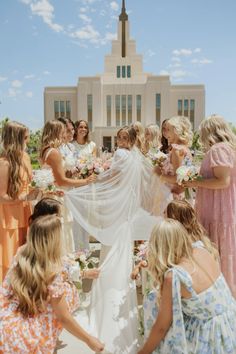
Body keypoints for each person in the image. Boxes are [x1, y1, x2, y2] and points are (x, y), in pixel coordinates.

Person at [65, 125, 169, 353]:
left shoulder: (121, 155)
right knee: (119, 250)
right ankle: (121, 289)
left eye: (124, 137)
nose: (120, 140)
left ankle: (106, 294)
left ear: (130, 139)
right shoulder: (136, 156)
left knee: (110, 248)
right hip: (126, 210)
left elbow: (110, 177)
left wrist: (93, 175)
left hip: (119, 210)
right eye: (119, 137)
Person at [0, 214, 104, 353]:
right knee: (69, 291)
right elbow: (63, 317)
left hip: (5, 326)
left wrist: (83, 273)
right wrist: (90, 340)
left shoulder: (22, 254)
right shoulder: (53, 272)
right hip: (28, 340)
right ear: (53, 241)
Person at [138, 219, 236, 354]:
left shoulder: (175, 276)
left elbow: (162, 326)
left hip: (209, 335)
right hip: (230, 324)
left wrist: (142, 352)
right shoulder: (203, 251)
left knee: (153, 303)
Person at [183, 115, 236, 296]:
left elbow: (222, 181)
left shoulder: (218, 149)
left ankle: (222, 295)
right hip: (220, 210)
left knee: (217, 253)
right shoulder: (224, 149)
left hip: (217, 212)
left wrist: (195, 181)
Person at [40, 120, 96, 254]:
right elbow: (62, 181)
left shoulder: (47, 150)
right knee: (62, 230)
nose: (66, 134)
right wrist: (86, 181)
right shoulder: (53, 152)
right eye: (63, 131)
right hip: (59, 195)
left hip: (56, 193)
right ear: (56, 132)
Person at [0, 121, 39, 282]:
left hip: (26, 212)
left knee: (25, 257)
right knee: (10, 258)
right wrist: (24, 197)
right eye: (25, 138)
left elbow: (29, 183)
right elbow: (2, 196)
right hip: (10, 217)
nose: (28, 141)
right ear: (15, 139)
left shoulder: (25, 157)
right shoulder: (4, 163)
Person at [157, 116, 193, 199]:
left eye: (169, 130)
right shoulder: (185, 149)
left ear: (176, 131)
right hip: (178, 193)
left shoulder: (177, 150)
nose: (166, 133)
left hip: (173, 195)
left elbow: (178, 178)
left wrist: (159, 176)